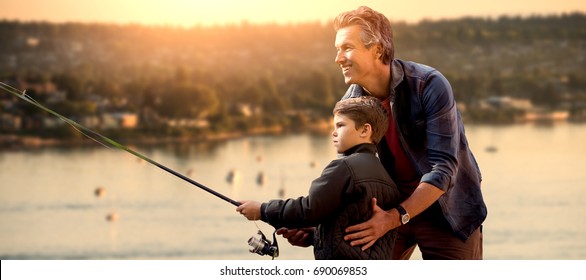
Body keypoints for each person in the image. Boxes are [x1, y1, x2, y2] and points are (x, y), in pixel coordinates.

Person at [278, 6, 487, 260]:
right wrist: (319, 228)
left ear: (377, 49)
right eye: (337, 50)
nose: (338, 58)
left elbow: (443, 170)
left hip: (446, 210)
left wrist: (394, 217)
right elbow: (350, 176)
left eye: (347, 48)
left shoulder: (428, 85)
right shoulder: (351, 104)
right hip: (386, 209)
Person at [236, 96, 401, 259]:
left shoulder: (345, 168)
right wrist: (317, 235)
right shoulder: (387, 178)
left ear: (365, 130)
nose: (333, 132)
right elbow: (352, 232)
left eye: (340, 125)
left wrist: (262, 210)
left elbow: (309, 209)